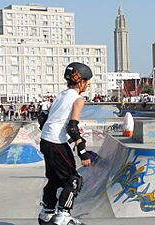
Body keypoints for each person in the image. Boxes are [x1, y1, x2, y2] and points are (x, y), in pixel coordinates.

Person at [38, 62, 93, 225]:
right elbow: (72, 127)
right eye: (87, 82)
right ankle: (63, 216)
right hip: (56, 143)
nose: (88, 85)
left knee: (54, 179)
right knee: (73, 180)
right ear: (81, 81)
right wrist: (82, 151)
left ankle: (46, 214)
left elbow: (44, 118)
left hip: (46, 141)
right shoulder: (78, 99)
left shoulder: (61, 95)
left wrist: (67, 138)